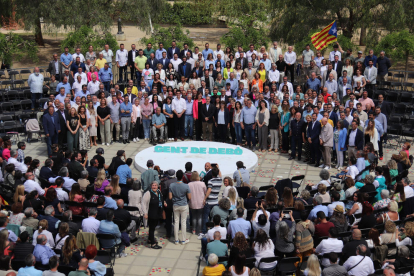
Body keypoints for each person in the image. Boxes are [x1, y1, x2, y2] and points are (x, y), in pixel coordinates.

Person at [142, 181, 165, 249]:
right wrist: (145, 213)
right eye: (153, 185)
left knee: (154, 227)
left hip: (158, 213)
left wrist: (164, 203)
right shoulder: (148, 193)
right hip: (151, 213)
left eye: (155, 185)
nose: (154, 187)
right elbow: (143, 203)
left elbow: (161, 200)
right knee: (151, 228)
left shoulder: (159, 192)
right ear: (151, 186)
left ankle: (150, 239)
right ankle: (153, 244)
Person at [202, 167, 222, 234]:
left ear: (212, 173)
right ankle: (212, 230)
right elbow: (220, 174)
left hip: (209, 202)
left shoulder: (210, 181)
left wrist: (204, 199)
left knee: (205, 217)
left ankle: (204, 231)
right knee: (213, 217)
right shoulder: (220, 180)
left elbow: (209, 190)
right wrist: (218, 167)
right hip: (215, 202)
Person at [188, 172, 206, 237]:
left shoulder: (189, 184)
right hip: (200, 202)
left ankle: (194, 229)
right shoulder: (202, 183)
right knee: (200, 217)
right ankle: (200, 230)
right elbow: (205, 192)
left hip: (192, 202)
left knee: (194, 217)